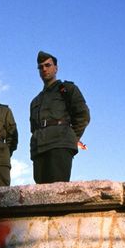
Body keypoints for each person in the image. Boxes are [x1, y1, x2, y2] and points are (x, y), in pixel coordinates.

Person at [30, 51, 90, 184]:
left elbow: (83, 115)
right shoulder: (35, 101)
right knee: (40, 196)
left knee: (57, 193)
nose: (44, 69)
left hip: (60, 146)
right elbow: (33, 128)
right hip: (40, 149)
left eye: (48, 65)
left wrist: (70, 138)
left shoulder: (67, 89)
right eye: (41, 67)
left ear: (56, 68)